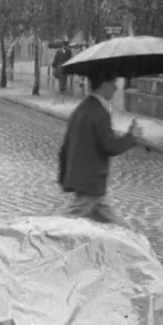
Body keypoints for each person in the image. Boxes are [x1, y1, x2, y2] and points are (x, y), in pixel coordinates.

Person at [58, 72, 144, 225]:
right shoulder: (100, 112)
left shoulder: (82, 108)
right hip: (91, 185)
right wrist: (133, 137)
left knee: (116, 227)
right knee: (62, 225)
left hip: (86, 184)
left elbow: (65, 147)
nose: (116, 88)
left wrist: (66, 178)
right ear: (104, 85)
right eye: (113, 83)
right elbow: (110, 146)